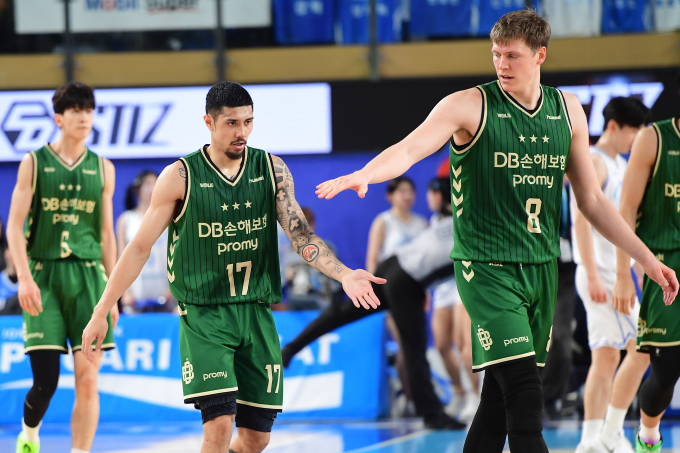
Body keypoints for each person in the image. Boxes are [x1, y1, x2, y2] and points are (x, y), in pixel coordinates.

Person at [315, 10, 678, 452]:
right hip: (486, 268)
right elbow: (409, 148)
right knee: (526, 401)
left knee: (495, 408)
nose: (501, 64)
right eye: (496, 54)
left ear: (540, 55)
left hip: (540, 269)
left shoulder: (567, 110)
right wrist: (367, 174)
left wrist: (646, 259)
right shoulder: (468, 105)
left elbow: (592, 200)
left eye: (512, 56)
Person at [81, 81, 384, 453]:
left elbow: (300, 234)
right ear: (209, 122)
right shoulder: (180, 176)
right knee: (220, 425)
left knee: (256, 440)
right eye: (232, 123)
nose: (242, 132)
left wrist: (345, 273)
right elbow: (139, 248)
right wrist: (102, 310)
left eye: (248, 122)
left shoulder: (272, 169)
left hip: (256, 313)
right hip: (205, 316)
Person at [282, 177, 466, 430]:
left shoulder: (445, 221)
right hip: (405, 282)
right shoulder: (469, 231)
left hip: (392, 267)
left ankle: (291, 348)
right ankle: (432, 414)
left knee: (343, 313)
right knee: (414, 348)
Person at [8, 82, 119, 453]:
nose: (84, 117)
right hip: (44, 277)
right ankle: (29, 433)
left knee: (88, 380)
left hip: (89, 279)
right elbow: (14, 227)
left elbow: (106, 234)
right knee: (46, 383)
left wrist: (112, 294)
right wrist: (24, 278)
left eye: (88, 110)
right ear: (59, 118)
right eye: (75, 110)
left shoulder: (104, 168)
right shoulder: (33, 163)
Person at [570, 97, 652, 453]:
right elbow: (580, 222)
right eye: (633, 131)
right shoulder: (595, 161)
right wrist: (590, 274)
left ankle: (593, 438)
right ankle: (608, 433)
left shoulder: (619, 164)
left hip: (610, 273)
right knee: (642, 348)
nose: (636, 139)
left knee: (606, 358)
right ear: (614, 126)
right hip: (601, 274)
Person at [607, 114, 680, 452]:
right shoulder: (654, 139)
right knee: (665, 372)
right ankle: (648, 434)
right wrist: (623, 274)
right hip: (663, 265)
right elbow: (626, 210)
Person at [365, 177, 427, 414]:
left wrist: (426, 292)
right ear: (390, 196)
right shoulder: (384, 221)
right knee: (404, 343)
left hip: (415, 292)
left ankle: (416, 396)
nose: (407, 196)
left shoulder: (422, 224)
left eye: (411, 191)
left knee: (416, 345)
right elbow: (373, 258)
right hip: (391, 292)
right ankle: (411, 396)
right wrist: (376, 291)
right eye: (402, 191)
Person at [116, 170, 173, 313]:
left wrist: (173, 288)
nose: (151, 188)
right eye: (147, 184)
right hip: (135, 298)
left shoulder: (169, 218)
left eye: (155, 184)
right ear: (137, 189)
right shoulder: (126, 220)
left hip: (166, 297)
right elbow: (121, 258)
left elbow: (177, 254)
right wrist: (125, 293)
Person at [282, 207, 341, 310]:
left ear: (312, 225)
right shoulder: (288, 252)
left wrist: (315, 283)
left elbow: (336, 283)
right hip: (295, 302)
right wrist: (287, 276)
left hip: (320, 301)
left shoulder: (326, 248)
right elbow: (279, 283)